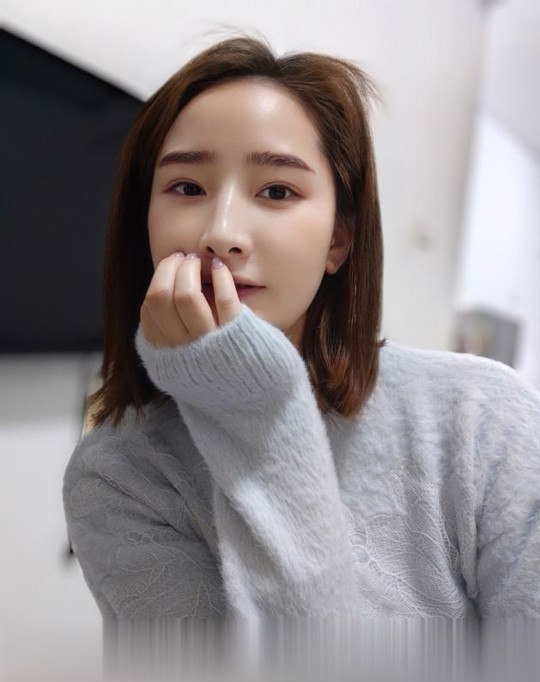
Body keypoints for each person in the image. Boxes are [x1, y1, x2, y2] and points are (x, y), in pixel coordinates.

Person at [62, 32, 540, 628]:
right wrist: (249, 410)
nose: (221, 233)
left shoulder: (484, 418)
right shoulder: (119, 473)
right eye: (187, 188)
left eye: (277, 190)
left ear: (338, 239)